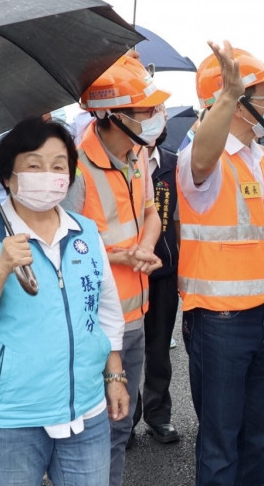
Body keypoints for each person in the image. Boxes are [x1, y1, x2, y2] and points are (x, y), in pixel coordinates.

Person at [0, 117, 128, 486]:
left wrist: (114, 375)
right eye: (34, 165)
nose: (48, 175)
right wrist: (1, 267)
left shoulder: (85, 232)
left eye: (58, 165)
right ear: (9, 177)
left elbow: (104, 309)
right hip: (12, 419)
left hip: (86, 409)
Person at [178, 42, 264, 486]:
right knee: (220, 442)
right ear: (234, 103)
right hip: (219, 321)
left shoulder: (261, 156)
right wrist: (230, 94)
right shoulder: (203, 157)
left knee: (257, 436)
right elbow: (200, 161)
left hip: (263, 315)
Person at [62, 53, 167, 486]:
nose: (157, 117)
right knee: (91, 432)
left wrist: (142, 245)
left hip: (135, 316)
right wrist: (120, 256)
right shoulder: (74, 166)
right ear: (113, 115)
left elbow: (151, 212)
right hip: (93, 326)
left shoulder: (139, 153)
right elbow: (63, 244)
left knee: (121, 426)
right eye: (147, 110)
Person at [138, 124, 183, 444]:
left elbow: (180, 220)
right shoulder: (122, 163)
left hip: (164, 272)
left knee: (158, 349)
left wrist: (183, 266)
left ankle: (158, 415)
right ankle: (123, 419)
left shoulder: (173, 164)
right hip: (126, 273)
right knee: (123, 350)